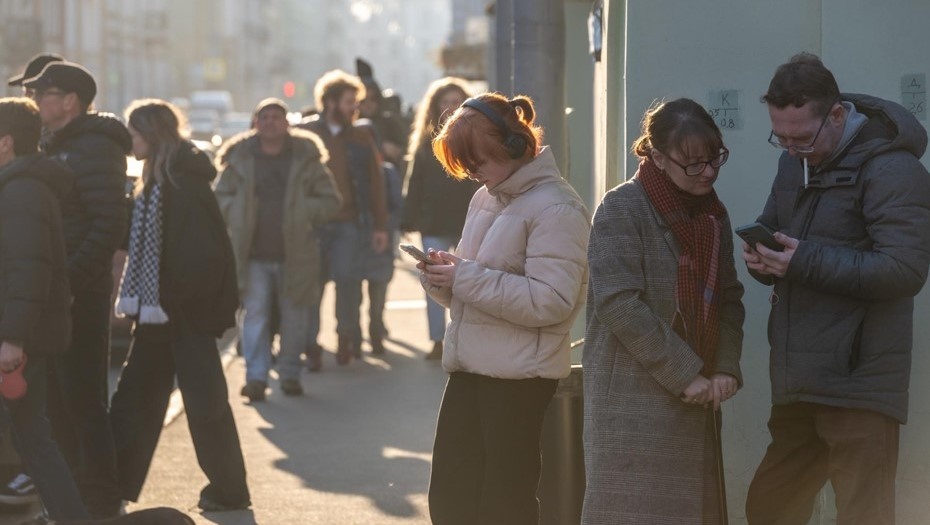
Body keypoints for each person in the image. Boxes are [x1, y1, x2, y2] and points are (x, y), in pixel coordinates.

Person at [742, 53, 930, 525]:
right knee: (768, 508)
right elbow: (774, 229)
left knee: (863, 516)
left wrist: (801, 261)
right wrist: (762, 260)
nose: (790, 149)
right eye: (779, 137)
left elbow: (905, 269)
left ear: (838, 115)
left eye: (801, 137)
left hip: (860, 385)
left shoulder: (893, 169)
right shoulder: (794, 163)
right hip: (798, 380)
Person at [421, 93, 590, 525]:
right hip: (470, 369)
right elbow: (473, 288)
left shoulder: (557, 207)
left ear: (514, 147)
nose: (473, 173)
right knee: (450, 497)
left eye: (476, 161)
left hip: (519, 379)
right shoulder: (486, 198)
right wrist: (443, 277)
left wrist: (464, 277)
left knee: (504, 503)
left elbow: (551, 301)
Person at [581, 98, 745, 524]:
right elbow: (618, 303)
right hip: (635, 403)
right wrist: (684, 372)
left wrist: (725, 366)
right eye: (692, 163)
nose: (707, 172)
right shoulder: (621, 207)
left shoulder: (712, 214)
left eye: (714, 159)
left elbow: (729, 296)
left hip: (699, 396)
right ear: (656, 155)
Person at [108, 99, 250, 512]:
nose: (131, 140)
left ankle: (230, 490)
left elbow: (203, 256)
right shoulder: (154, 184)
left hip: (185, 316)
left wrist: (174, 299)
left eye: (135, 132)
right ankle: (109, 487)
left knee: (205, 407)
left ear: (152, 135)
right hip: (159, 315)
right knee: (134, 401)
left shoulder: (183, 185)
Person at [24, 60, 128, 519]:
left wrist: (70, 282)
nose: (35, 101)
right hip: (57, 291)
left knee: (84, 396)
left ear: (68, 101)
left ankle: (102, 497)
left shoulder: (96, 148)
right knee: (57, 400)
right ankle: (70, 497)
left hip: (78, 294)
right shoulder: (56, 144)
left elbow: (107, 225)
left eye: (42, 93)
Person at [215, 98, 341, 399]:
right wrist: (236, 210)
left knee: (294, 317)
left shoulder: (306, 157)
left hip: (295, 253)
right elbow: (219, 197)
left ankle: (289, 375)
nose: (270, 121)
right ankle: (256, 377)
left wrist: (303, 211)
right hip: (252, 254)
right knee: (255, 315)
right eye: (264, 116)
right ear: (255, 122)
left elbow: (331, 201)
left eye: (277, 116)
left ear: (288, 123)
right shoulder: (240, 157)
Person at [0, 97, 89, 521]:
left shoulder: (21, 191)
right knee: (34, 436)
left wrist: (11, 339)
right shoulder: (22, 186)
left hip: (18, 340)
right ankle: (70, 516)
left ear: (5, 143)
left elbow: (28, 271)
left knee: (33, 437)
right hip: (21, 336)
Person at [300, 70, 388, 364]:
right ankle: (310, 344)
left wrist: (379, 226)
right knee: (313, 285)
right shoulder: (307, 135)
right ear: (330, 102)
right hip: (312, 225)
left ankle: (346, 338)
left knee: (348, 283)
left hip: (349, 223)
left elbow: (376, 183)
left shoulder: (362, 136)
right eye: (350, 101)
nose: (355, 108)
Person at [400, 77, 478, 360]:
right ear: (435, 106)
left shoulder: (474, 140)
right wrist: (407, 219)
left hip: (467, 221)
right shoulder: (425, 143)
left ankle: (467, 337)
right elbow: (414, 182)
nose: (450, 107)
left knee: (467, 281)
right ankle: (437, 340)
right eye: (445, 102)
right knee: (433, 280)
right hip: (433, 222)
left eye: (456, 101)